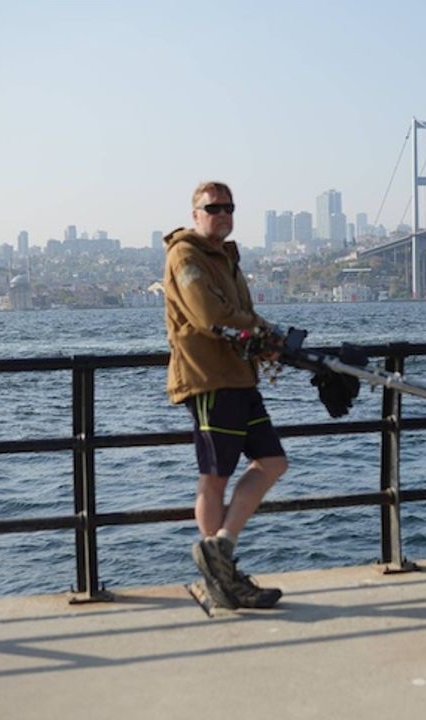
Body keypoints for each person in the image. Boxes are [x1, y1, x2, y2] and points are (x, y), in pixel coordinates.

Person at [163, 180, 287, 609]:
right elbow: (208, 314)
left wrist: (270, 335)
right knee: (214, 477)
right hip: (210, 377)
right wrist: (261, 330)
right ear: (195, 214)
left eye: (228, 207)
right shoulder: (186, 254)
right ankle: (221, 576)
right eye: (213, 208)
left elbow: (242, 314)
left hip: (240, 376)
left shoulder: (226, 257)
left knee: (272, 462)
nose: (222, 214)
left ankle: (221, 549)